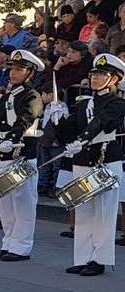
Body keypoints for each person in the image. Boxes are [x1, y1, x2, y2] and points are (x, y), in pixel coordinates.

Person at [54, 53, 125, 276]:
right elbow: (70, 132)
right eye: (93, 74)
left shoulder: (117, 103)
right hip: (83, 161)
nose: (94, 78)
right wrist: (58, 121)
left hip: (105, 161)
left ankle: (100, 259)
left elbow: (102, 122)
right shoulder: (84, 103)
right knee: (83, 211)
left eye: (101, 74)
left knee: (104, 214)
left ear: (114, 79)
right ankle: (83, 257)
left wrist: (82, 139)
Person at [0, 49, 45, 262]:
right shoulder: (9, 95)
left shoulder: (32, 96)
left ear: (30, 74)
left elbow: (26, 119)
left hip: (21, 154)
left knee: (23, 202)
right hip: (3, 152)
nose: (13, 73)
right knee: (5, 202)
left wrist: (12, 137)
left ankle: (21, 246)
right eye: (12, 68)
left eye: (19, 69)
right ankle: (9, 242)